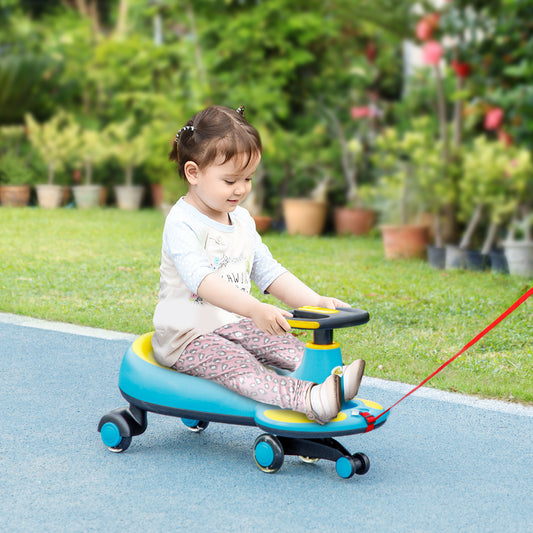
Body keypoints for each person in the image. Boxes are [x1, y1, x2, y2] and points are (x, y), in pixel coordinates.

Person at [152, 105, 365, 425]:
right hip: (187, 337)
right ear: (193, 173)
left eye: (248, 178)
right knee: (239, 364)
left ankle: (329, 381)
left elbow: (267, 269)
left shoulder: (240, 219)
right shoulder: (182, 222)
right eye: (230, 180)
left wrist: (316, 302)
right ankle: (307, 398)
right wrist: (254, 308)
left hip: (232, 323)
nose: (241, 189)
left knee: (284, 344)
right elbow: (202, 280)